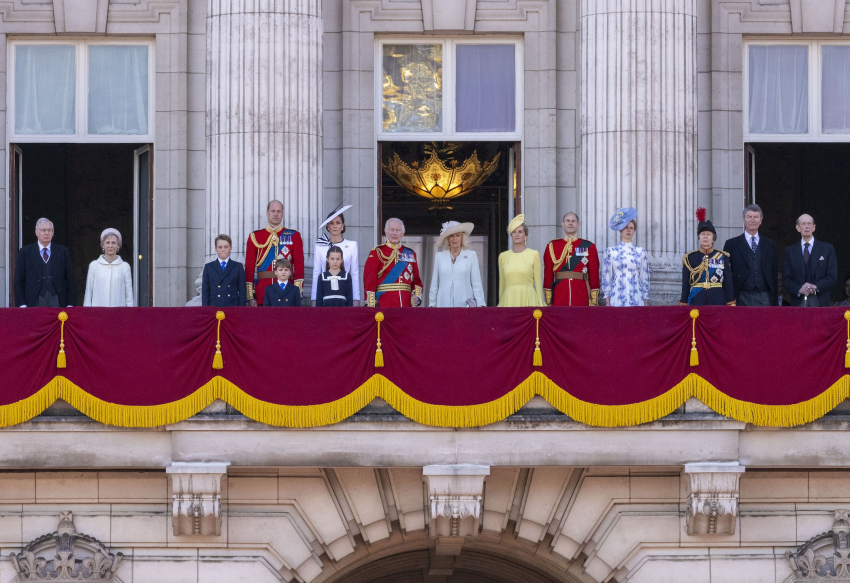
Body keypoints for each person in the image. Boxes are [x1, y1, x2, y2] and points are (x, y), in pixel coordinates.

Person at [245, 200, 304, 306]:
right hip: (262, 292)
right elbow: (249, 268)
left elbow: (299, 266)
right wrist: (250, 295)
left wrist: (298, 291)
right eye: (273, 211)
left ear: (282, 213)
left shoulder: (294, 235)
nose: (276, 214)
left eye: (279, 211)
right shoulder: (255, 237)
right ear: (267, 213)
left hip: (288, 293)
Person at [723, 204, 777, 307]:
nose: (752, 220)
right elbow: (727, 274)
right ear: (744, 220)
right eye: (749, 217)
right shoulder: (731, 244)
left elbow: (773, 273)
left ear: (760, 221)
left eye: (756, 217)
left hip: (764, 296)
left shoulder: (770, 245)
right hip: (740, 295)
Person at [14, 218, 76, 308]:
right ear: (36, 232)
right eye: (43, 230)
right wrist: (22, 304)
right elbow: (19, 281)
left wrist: (70, 303)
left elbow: (70, 280)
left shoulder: (63, 252)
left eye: (49, 230)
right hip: (33, 301)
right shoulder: (25, 252)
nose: (47, 233)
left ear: (53, 233)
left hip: (58, 300)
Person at [363, 218, 423, 308]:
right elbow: (369, 280)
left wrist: (416, 297)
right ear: (386, 231)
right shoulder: (377, 252)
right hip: (384, 303)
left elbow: (416, 280)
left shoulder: (410, 253)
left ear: (403, 233)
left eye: (398, 230)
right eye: (392, 230)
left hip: (406, 304)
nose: (394, 233)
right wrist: (371, 305)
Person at [680, 209, 735, 306]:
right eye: (702, 234)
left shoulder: (723, 257)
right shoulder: (689, 258)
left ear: (713, 238)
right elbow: (685, 284)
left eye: (708, 234)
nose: (705, 237)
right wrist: (683, 303)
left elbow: (728, 283)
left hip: (718, 299)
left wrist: (730, 302)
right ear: (699, 237)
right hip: (697, 299)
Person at [543, 212, 600, 306]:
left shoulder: (588, 246)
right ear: (563, 224)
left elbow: (594, 273)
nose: (570, 223)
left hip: (581, 293)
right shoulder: (552, 246)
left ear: (578, 225)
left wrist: (593, 298)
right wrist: (549, 298)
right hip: (559, 294)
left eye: (573, 221)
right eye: (567, 221)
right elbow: (548, 273)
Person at [783, 214, 838, 307]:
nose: (807, 226)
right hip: (798, 301)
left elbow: (832, 276)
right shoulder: (790, 251)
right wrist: (799, 289)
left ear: (814, 227)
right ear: (798, 228)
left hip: (820, 300)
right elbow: (786, 279)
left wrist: (815, 287)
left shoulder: (827, 248)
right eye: (803, 224)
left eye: (809, 224)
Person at [428, 221, 486, 307]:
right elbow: (435, 283)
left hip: (464, 304)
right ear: (448, 239)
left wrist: (480, 304)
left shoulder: (471, 255)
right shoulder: (439, 256)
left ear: (462, 238)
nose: (454, 239)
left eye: (458, 235)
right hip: (443, 304)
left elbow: (476, 282)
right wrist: (432, 304)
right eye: (451, 236)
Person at [312, 205, 360, 306]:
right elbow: (316, 273)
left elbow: (355, 274)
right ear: (327, 226)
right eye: (331, 223)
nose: (334, 226)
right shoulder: (320, 245)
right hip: (325, 295)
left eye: (338, 223)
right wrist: (314, 299)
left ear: (342, 225)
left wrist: (356, 299)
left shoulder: (352, 245)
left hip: (344, 293)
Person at [601, 208, 650, 307]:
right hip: (617, 293)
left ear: (634, 231)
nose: (628, 230)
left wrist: (645, 297)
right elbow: (607, 276)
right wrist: (607, 298)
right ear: (620, 229)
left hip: (636, 293)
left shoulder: (641, 251)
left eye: (631, 228)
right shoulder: (610, 251)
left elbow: (644, 275)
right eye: (625, 227)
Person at [498, 214, 544, 307]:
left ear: (525, 235)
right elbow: (502, 285)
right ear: (511, 235)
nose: (517, 234)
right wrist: (500, 303)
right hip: (509, 299)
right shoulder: (503, 256)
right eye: (514, 232)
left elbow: (538, 284)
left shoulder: (534, 254)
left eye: (520, 232)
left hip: (528, 298)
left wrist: (540, 302)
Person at [83, 228, 134, 307]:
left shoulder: (125, 267)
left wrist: (130, 314)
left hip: (119, 313)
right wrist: (87, 313)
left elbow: (129, 295)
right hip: (98, 313)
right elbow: (88, 293)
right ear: (103, 245)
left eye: (113, 243)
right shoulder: (94, 266)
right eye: (107, 242)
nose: (110, 246)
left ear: (118, 246)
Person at [201, 234, 247, 307]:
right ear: (216, 249)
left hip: (233, 306)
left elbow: (242, 291)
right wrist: (206, 310)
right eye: (220, 247)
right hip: (214, 306)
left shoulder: (238, 267)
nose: (223, 250)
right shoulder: (208, 267)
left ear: (230, 248)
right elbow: (205, 291)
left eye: (226, 247)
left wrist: (241, 309)